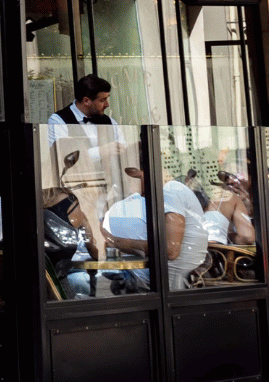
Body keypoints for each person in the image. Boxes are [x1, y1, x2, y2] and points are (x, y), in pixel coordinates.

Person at [102, 155, 210, 290]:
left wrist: (118, 242)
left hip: (170, 287)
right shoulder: (169, 192)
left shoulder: (170, 191)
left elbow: (170, 251)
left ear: (135, 173)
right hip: (172, 281)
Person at [47, 75, 123, 147]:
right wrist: (99, 152)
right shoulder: (58, 120)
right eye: (102, 100)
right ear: (86, 101)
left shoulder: (109, 121)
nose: (107, 104)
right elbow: (61, 155)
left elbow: (122, 148)